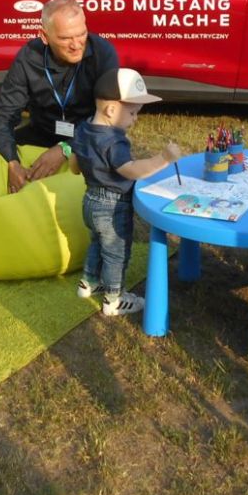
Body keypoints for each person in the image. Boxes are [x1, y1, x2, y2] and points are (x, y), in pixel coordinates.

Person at [69, 67, 182, 316]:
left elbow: (74, 166)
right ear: (111, 110)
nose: (135, 119)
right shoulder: (114, 140)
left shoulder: (84, 128)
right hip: (113, 206)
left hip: (89, 200)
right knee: (116, 253)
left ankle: (88, 283)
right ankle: (114, 299)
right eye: (132, 113)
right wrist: (163, 158)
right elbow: (130, 170)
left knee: (97, 243)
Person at [0, 0, 119, 194]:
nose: (76, 45)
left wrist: (66, 148)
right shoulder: (28, 57)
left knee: (107, 164)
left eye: (81, 34)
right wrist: (12, 162)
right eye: (65, 38)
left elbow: (111, 117)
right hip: (43, 131)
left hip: (87, 134)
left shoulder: (103, 53)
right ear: (44, 36)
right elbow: (4, 116)